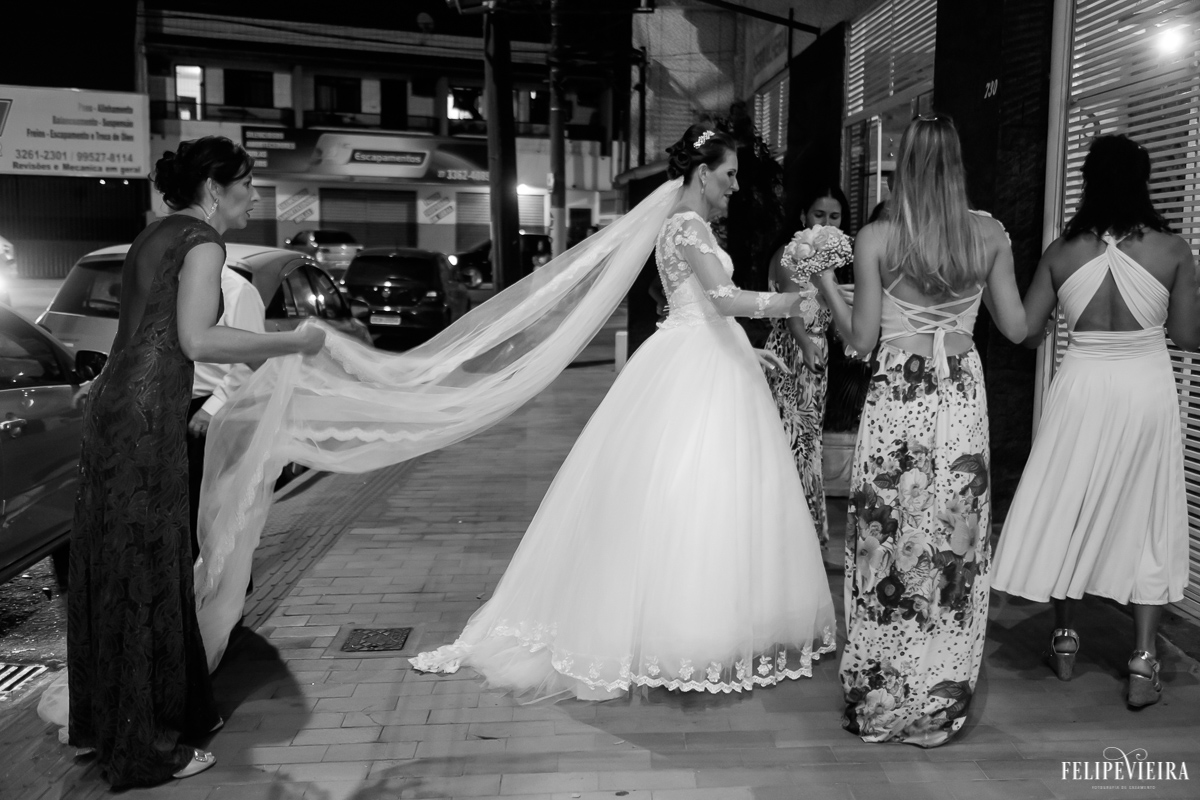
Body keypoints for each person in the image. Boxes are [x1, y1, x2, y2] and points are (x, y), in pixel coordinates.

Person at [408, 123, 837, 700]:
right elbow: (722, 299)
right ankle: (687, 628)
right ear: (703, 173)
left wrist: (746, 347)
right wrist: (795, 300)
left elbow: (707, 312)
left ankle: (718, 623)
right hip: (695, 367)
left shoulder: (690, 227)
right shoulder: (685, 226)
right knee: (694, 491)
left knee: (708, 491)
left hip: (705, 355)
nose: (735, 185)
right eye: (730, 174)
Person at [66, 136, 324, 788]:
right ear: (216, 188)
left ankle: (110, 723)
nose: (253, 196)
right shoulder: (204, 242)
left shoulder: (154, 236)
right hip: (152, 418)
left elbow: (137, 334)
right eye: (245, 185)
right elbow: (197, 338)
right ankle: (148, 748)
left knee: (114, 565)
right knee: (151, 570)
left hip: (113, 408)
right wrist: (291, 340)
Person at [812, 115, 1026, 746]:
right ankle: (941, 696)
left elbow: (859, 340)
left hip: (898, 396)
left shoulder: (878, 237)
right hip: (960, 391)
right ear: (958, 165)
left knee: (888, 531)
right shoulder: (987, 235)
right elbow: (1015, 328)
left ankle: (884, 693)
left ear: (901, 165)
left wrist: (826, 281)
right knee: (955, 539)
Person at [991, 134, 1199, 707]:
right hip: (1144, 388)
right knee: (1149, 511)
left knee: (1071, 502)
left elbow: (1027, 332)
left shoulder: (1063, 252)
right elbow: (1186, 336)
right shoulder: (1172, 250)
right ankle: (1142, 659)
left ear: (1088, 181)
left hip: (1081, 384)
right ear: (1144, 180)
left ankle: (1063, 641)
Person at [763, 186, 851, 548]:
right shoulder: (789, 254)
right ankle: (783, 536)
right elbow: (793, 309)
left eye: (834, 217)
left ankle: (806, 536)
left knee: (808, 444)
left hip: (817, 359)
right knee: (789, 444)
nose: (826, 223)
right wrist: (804, 344)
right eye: (819, 215)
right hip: (789, 355)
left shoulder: (828, 263)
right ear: (803, 216)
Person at [187, 264, 266, 561]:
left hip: (216, 409)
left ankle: (225, 594)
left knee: (213, 508)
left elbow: (250, 361)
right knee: (185, 509)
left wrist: (211, 409)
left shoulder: (238, 291)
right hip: (178, 405)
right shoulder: (176, 285)